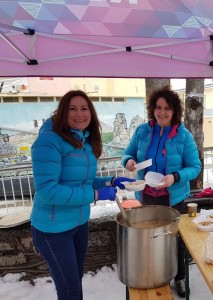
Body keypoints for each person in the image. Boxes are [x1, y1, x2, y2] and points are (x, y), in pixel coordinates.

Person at [30, 90, 134, 300]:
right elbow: (48, 191)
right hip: (53, 230)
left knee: (74, 282)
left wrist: (111, 181)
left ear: (91, 113)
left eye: (84, 108)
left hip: (78, 224)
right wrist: (96, 194)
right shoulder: (49, 141)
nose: (80, 114)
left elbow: (81, 181)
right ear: (62, 112)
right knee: (70, 291)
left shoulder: (83, 141)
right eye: (72, 108)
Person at [121, 86, 201, 298]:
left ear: (175, 111)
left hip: (173, 197)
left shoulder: (183, 136)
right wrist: (128, 161)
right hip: (146, 195)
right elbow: (127, 153)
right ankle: (152, 273)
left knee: (175, 239)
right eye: (158, 107)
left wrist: (174, 177)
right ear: (152, 109)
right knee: (148, 238)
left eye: (167, 108)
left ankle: (180, 277)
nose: (162, 112)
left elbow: (195, 167)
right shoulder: (142, 131)